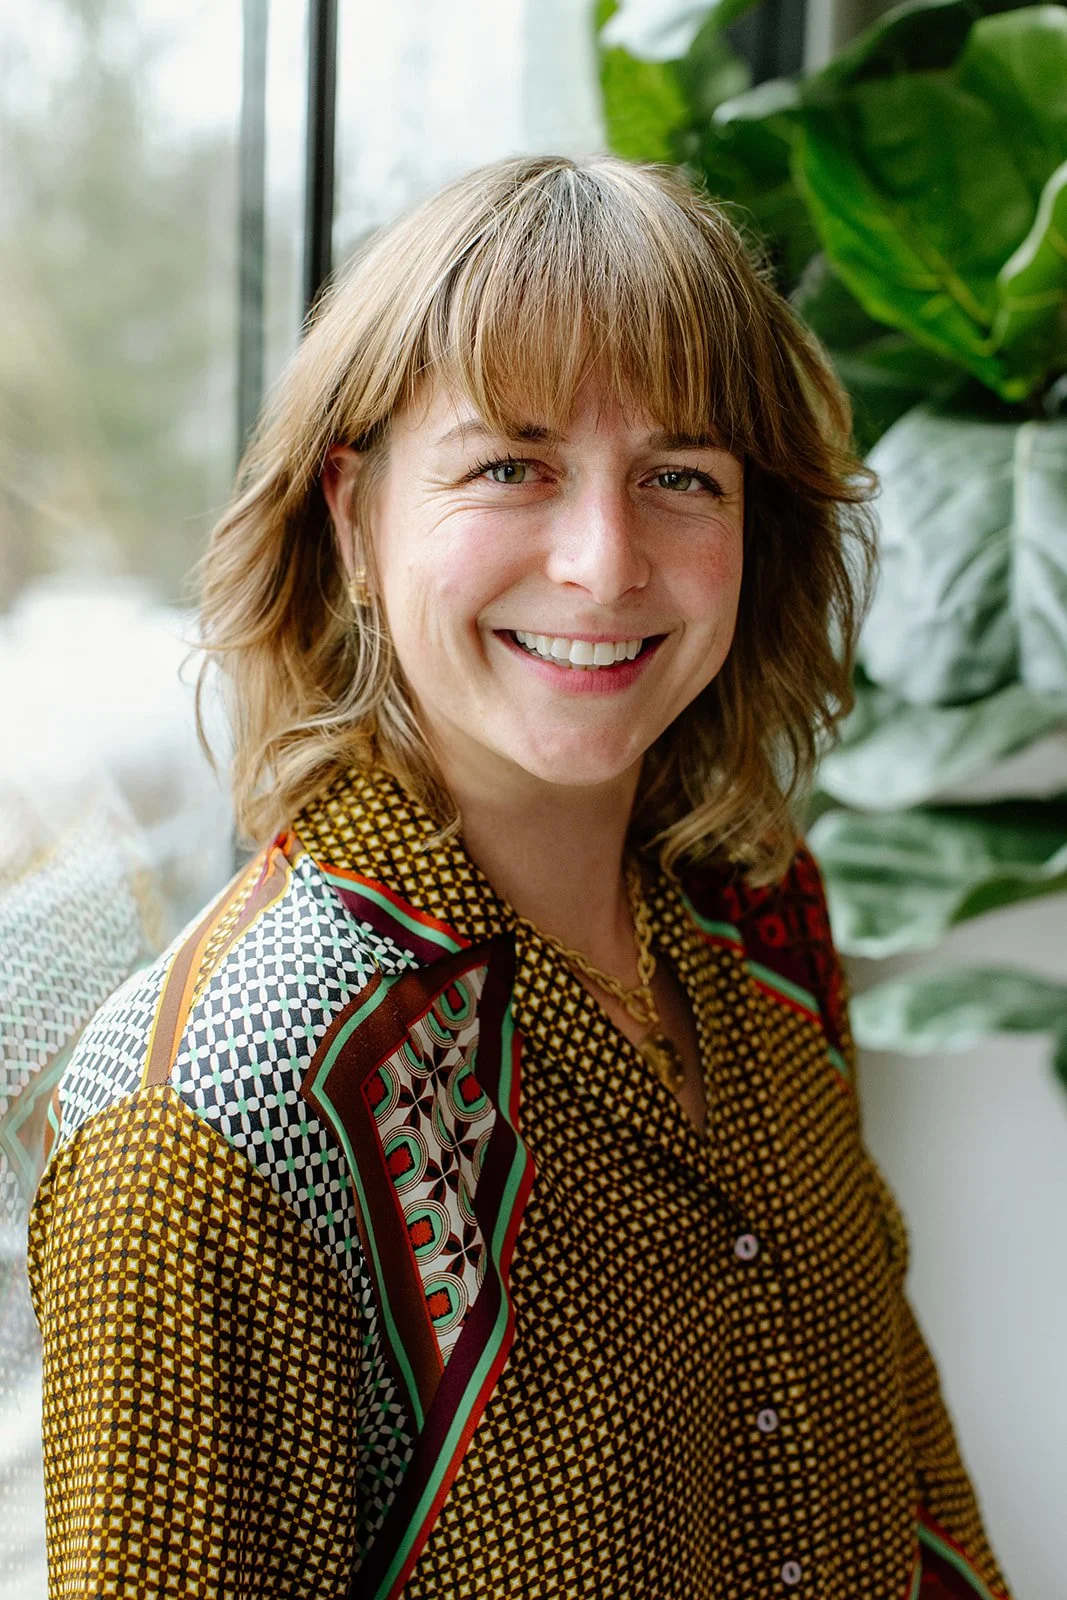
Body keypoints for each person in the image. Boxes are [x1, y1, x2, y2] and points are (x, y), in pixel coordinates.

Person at [28, 155, 1012, 1600]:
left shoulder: (760, 926)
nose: (605, 564)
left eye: (682, 477)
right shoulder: (213, 1123)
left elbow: (907, 1484)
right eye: (511, 467)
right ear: (354, 520)